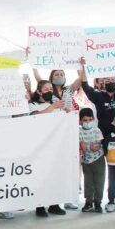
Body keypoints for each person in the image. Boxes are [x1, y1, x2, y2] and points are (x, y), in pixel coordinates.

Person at [30, 80, 68, 216]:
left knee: (55, 174)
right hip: (39, 146)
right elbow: (34, 117)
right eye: (46, 89)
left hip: (55, 145)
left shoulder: (56, 106)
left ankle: (54, 204)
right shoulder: (32, 104)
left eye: (51, 89)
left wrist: (67, 114)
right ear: (39, 91)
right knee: (40, 176)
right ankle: (39, 206)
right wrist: (52, 108)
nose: (49, 91)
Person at [79, 108, 105, 213]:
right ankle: (88, 202)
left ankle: (98, 202)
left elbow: (97, 146)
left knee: (99, 181)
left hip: (98, 159)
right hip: (86, 161)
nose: (87, 122)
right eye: (85, 120)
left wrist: (87, 147)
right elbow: (82, 147)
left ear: (93, 119)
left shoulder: (96, 130)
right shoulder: (79, 130)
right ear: (80, 120)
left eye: (90, 119)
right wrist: (88, 147)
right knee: (88, 182)